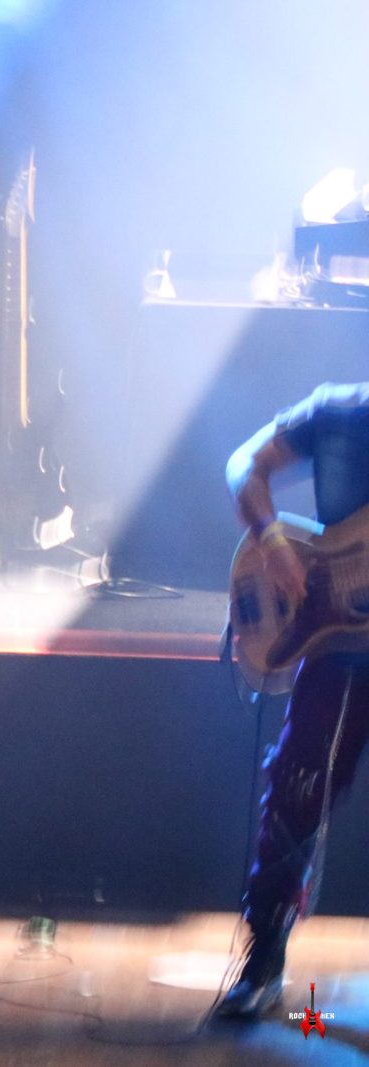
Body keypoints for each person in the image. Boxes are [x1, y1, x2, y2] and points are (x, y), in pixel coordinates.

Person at [217, 382, 369, 1020]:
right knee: (298, 784)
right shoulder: (339, 411)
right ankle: (264, 959)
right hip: (342, 646)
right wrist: (275, 543)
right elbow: (244, 464)